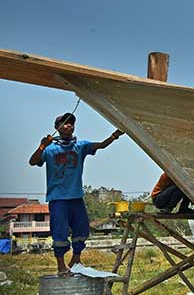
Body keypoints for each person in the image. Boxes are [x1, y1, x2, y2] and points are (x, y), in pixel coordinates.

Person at [29, 112, 125, 274]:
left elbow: (101, 145)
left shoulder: (80, 146)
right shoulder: (49, 149)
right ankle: (61, 265)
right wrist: (42, 146)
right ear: (57, 128)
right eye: (65, 123)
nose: (69, 126)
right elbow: (33, 161)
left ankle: (76, 259)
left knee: (81, 230)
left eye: (71, 123)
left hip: (76, 197)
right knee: (59, 232)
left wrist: (115, 135)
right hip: (58, 198)